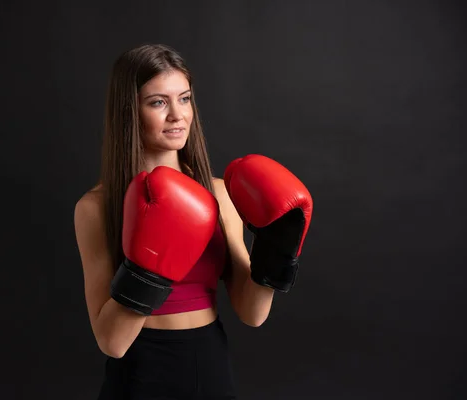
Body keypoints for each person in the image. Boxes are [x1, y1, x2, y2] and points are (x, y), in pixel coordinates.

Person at [73, 43, 313, 399]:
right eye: (158, 102)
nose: (177, 115)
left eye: (184, 99)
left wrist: (276, 248)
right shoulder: (97, 207)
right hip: (140, 372)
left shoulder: (217, 193)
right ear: (130, 111)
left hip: (209, 364)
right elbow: (112, 342)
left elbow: (252, 312)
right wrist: (149, 269)